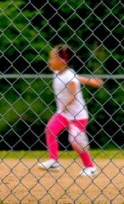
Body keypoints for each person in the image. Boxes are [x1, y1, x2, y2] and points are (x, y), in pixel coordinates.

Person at [37, 44, 103, 177]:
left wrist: (65, 104)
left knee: (76, 141)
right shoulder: (60, 73)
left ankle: (90, 167)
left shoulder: (68, 76)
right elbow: (78, 77)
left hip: (78, 116)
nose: (49, 62)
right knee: (50, 130)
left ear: (62, 61)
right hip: (63, 114)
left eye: (52, 58)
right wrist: (90, 81)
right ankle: (53, 161)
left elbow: (73, 94)